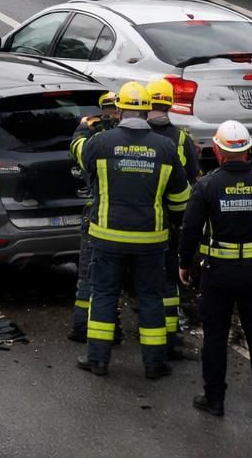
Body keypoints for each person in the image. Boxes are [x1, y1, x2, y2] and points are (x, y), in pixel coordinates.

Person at [72, 82, 191, 380]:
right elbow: (180, 199)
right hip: (151, 240)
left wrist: (83, 129)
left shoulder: (100, 142)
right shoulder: (165, 147)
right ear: (147, 110)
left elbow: (78, 152)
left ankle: (97, 360)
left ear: (120, 109)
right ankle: (154, 364)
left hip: (107, 237)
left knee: (103, 295)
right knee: (151, 298)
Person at [179, 120, 252, 423]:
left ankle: (214, 399)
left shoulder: (207, 185)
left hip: (218, 273)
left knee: (215, 336)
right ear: (248, 151)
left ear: (218, 151)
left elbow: (190, 229)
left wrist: (184, 263)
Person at [146, 78, 202, 359]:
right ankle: (170, 334)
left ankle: (148, 330)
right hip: (171, 220)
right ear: (170, 104)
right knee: (169, 279)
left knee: (145, 281)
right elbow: (193, 179)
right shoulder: (180, 139)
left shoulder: (138, 137)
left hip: (141, 217)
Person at [69, 90, 123, 343]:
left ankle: (83, 327)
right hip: (119, 215)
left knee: (89, 275)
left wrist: (83, 129)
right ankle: (110, 326)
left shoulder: (93, 136)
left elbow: (78, 151)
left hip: (96, 214)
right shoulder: (125, 136)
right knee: (111, 279)